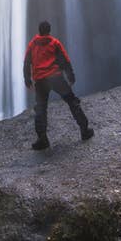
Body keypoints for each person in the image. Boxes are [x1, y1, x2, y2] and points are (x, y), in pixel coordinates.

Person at [23, 20, 94, 150]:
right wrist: (71, 76)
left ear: (39, 31)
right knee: (72, 102)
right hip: (55, 78)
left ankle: (42, 139)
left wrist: (27, 80)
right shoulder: (54, 43)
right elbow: (65, 60)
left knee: (41, 109)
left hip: (40, 81)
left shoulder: (32, 44)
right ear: (49, 31)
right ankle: (84, 130)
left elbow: (27, 62)